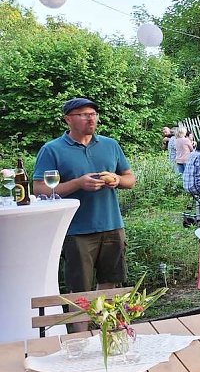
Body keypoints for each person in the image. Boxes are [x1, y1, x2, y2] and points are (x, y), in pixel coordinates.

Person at [32, 98, 136, 329]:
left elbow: (130, 178)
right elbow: (39, 189)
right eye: (83, 114)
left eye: (93, 113)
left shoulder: (110, 145)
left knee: (111, 282)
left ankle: (106, 332)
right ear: (68, 119)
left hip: (111, 225)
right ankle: (79, 338)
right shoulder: (52, 149)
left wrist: (118, 180)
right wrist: (78, 183)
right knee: (79, 290)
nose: (90, 118)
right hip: (76, 230)